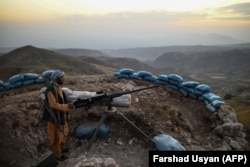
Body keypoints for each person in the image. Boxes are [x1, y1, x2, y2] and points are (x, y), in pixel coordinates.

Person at [45, 70, 74, 161]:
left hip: (61, 115)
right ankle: (58, 156)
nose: (63, 79)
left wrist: (67, 108)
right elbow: (53, 105)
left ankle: (63, 148)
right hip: (53, 118)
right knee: (56, 138)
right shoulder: (51, 89)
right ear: (56, 78)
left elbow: (62, 101)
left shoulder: (59, 88)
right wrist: (67, 106)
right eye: (61, 77)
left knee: (64, 132)